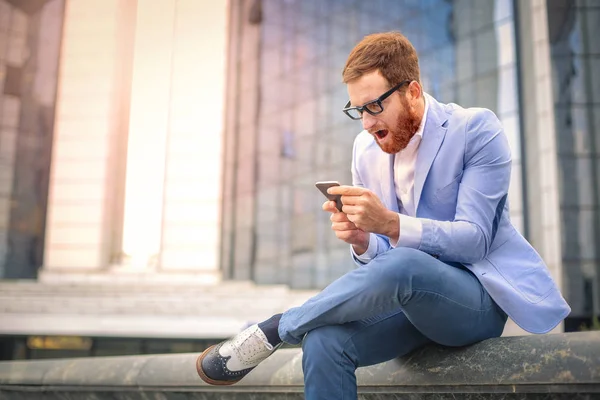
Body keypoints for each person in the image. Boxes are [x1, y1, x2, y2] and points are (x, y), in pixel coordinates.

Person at [195, 31, 571, 399]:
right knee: (325, 341)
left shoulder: (476, 129)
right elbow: (381, 267)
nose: (367, 122)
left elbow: (474, 240)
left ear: (412, 91)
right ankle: (289, 329)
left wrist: (389, 223)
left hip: (475, 302)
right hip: (408, 305)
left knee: (406, 263)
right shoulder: (364, 149)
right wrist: (363, 241)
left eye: (374, 105)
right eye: (357, 110)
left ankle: (276, 328)